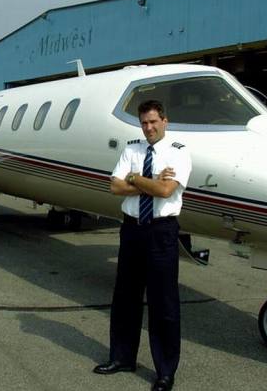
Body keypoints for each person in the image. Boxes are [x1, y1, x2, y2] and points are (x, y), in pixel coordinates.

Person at [93, 100, 192, 391]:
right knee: (125, 298)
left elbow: (165, 191)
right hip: (132, 229)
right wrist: (145, 180)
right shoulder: (132, 149)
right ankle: (122, 358)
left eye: (153, 122)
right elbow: (114, 186)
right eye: (144, 123)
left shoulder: (179, 153)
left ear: (165, 121)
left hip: (161, 232)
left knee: (163, 304)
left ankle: (165, 371)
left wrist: (134, 178)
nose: (148, 128)